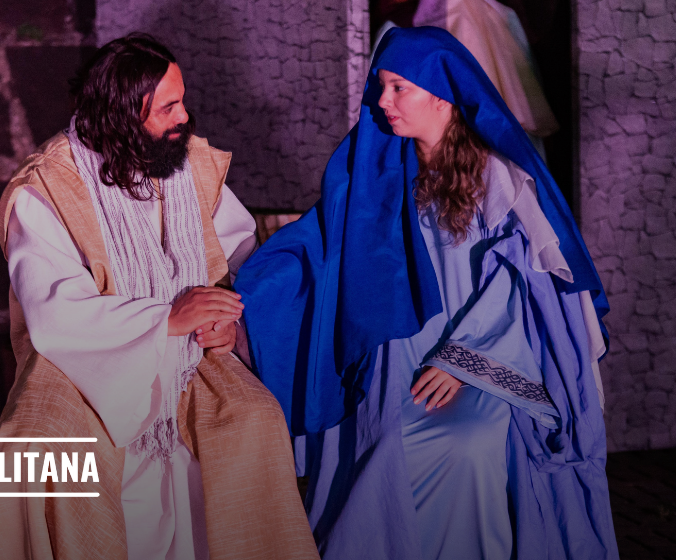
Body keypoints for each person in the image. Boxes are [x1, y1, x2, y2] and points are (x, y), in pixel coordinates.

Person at [235, 27, 618, 559]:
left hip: (482, 359)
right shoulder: (374, 172)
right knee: (380, 446)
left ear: (442, 95)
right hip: (391, 357)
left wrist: (463, 360)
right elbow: (319, 247)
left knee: (466, 448)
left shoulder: (497, 178)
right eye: (382, 86)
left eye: (399, 88)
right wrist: (243, 302)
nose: (382, 101)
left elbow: (518, 282)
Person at [0, 34, 317, 560]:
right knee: (44, 438)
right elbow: (55, 314)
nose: (184, 117)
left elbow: (240, 262)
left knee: (253, 419)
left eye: (182, 100)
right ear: (121, 114)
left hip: (192, 356)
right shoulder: (47, 188)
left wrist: (229, 323)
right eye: (168, 107)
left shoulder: (191, 165)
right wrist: (165, 319)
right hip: (85, 361)